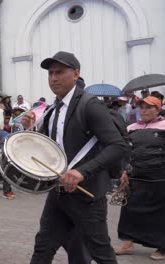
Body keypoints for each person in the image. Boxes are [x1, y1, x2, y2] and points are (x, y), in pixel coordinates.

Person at [22, 51, 127, 264]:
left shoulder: (90, 104)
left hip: (87, 196)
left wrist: (81, 172)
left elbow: (117, 146)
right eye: (51, 73)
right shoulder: (52, 110)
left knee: (101, 253)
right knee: (43, 247)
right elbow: (53, 149)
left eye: (60, 72)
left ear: (76, 74)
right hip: (58, 193)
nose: (54, 78)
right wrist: (30, 129)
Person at [114, 96, 165, 260]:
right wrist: (124, 171)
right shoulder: (131, 128)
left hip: (159, 179)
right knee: (129, 210)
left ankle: (162, 247)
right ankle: (128, 243)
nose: (144, 110)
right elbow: (125, 153)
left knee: (160, 215)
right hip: (135, 178)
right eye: (141, 107)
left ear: (158, 110)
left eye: (149, 107)